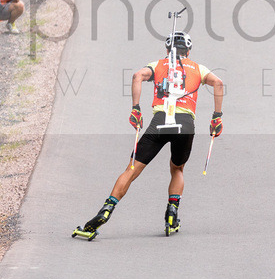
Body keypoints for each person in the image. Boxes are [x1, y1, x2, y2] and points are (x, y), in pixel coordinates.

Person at [72, 30, 225, 240]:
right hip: (185, 125)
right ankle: (171, 215)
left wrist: (136, 109)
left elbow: (137, 76)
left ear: (167, 49)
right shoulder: (198, 68)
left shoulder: (158, 65)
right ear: (188, 51)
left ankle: (105, 212)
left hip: (159, 121)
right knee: (177, 168)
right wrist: (216, 117)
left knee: (131, 169)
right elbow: (218, 83)